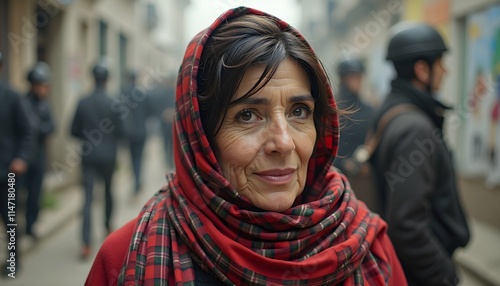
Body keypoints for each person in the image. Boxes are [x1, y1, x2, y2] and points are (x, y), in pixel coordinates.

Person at [85, 7, 407, 285]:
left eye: (299, 112)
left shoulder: (369, 246)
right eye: (248, 115)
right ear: (201, 136)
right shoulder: (127, 259)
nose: (283, 142)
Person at [370, 23, 470, 285]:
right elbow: (407, 227)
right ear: (422, 69)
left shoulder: (393, 111)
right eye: (441, 63)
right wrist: (445, 277)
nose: (445, 71)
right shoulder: (415, 129)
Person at [70, 60, 122, 260]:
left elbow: (72, 130)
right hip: (109, 156)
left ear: (92, 78)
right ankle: (108, 227)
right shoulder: (113, 103)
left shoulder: (83, 102)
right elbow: (122, 131)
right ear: (107, 80)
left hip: (89, 156)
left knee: (88, 197)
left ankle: (85, 242)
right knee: (108, 192)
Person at [0, 51, 35, 275]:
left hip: (8, 172)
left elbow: (28, 131)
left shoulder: (12, 96)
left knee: (10, 220)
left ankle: (13, 263)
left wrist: (21, 158)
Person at [21, 61, 55, 239]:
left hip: (39, 156)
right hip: (22, 157)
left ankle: (30, 225)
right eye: (42, 85)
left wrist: (38, 128)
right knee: (18, 194)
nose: (45, 89)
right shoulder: (22, 102)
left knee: (35, 194)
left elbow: (51, 126)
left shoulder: (44, 105)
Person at [120, 70, 152, 196]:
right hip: (141, 131)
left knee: (133, 158)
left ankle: (136, 181)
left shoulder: (123, 92)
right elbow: (149, 111)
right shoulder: (142, 93)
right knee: (139, 157)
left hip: (129, 132)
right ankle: (137, 182)